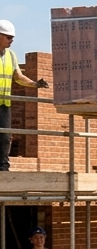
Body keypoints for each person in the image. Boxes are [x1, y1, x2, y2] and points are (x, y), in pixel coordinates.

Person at [0, 19, 48, 172]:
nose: (11, 40)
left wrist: (35, 84)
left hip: (4, 105)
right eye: (8, 37)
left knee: (5, 138)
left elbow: (18, 77)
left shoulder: (11, 55)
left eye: (12, 38)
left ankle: (3, 170)